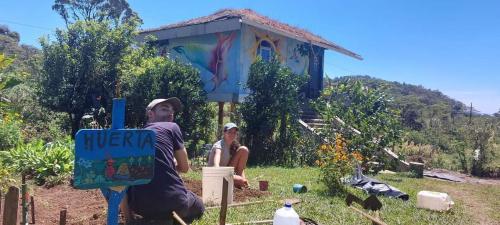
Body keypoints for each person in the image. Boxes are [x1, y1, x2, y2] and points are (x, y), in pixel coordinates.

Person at [121, 97, 204, 224]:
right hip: (174, 204)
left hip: (141, 208)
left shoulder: (134, 137)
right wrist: (172, 166)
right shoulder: (172, 127)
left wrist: (129, 219)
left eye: (172, 111)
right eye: (164, 109)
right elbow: (185, 167)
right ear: (150, 114)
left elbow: (121, 180)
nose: (170, 113)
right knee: (198, 204)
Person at [208, 122, 249, 188]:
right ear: (224, 133)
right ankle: (237, 182)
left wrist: (244, 179)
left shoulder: (234, 145)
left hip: (226, 172)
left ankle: (240, 183)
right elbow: (217, 156)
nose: (232, 134)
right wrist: (216, 167)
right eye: (229, 132)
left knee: (244, 149)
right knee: (240, 181)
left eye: (234, 133)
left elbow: (240, 167)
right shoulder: (219, 145)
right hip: (215, 174)